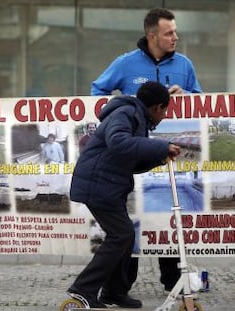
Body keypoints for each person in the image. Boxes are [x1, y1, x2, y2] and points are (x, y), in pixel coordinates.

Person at [90, 7, 202, 293]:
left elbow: (203, 101)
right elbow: (96, 93)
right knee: (135, 215)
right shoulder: (125, 63)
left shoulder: (185, 65)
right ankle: (123, 285)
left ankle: (173, 280)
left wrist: (187, 97)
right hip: (135, 157)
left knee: (168, 212)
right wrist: (125, 107)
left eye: (175, 31)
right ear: (152, 36)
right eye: (169, 33)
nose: (175, 36)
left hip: (170, 154)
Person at [67, 81, 181, 308]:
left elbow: (131, 161)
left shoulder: (136, 118)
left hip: (108, 185)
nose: (164, 115)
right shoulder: (126, 113)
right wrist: (160, 146)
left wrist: (158, 158)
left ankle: (113, 292)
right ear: (157, 107)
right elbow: (118, 143)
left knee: (125, 236)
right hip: (98, 185)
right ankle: (83, 289)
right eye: (165, 110)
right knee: (121, 235)